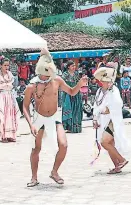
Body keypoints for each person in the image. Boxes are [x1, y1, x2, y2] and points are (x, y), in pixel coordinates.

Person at [23, 48, 87, 187]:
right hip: (39, 118)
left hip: (54, 116)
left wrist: (79, 85)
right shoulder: (32, 86)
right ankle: (34, 177)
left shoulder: (57, 80)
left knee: (63, 145)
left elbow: (71, 91)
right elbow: (25, 107)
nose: (47, 77)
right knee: (36, 148)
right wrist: (30, 124)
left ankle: (54, 171)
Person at [93, 66, 130, 174]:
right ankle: (117, 165)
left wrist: (105, 110)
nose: (103, 83)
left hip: (112, 121)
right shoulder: (99, 91)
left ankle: (122, 160)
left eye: (105, 81)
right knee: (110, 143)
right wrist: (95, 118)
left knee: (104, 142)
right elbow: (96, 105)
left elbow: (117, 105)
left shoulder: (114, 91)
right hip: (103, 120)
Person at [0, 58, 20, 143]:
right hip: (2, 96)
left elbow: (13, 85)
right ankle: (2, 136)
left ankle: (10, 135)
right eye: (5, 65)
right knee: (2, 115)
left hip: (10, 96)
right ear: (0, 65)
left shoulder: (10, 74)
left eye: (8, 65)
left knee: (11, 115)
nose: (7, 67)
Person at [62, 60, 84, 133]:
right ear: (68, 67)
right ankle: (69, 127)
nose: (74, 67)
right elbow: (62, 85)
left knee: (77, 109)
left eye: (74, 66)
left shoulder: (76, 74)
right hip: (68, 93)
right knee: (69, 108)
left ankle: (76, 127)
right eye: (72, 66)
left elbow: (78, 83)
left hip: (76, 93)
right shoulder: (65, 74)